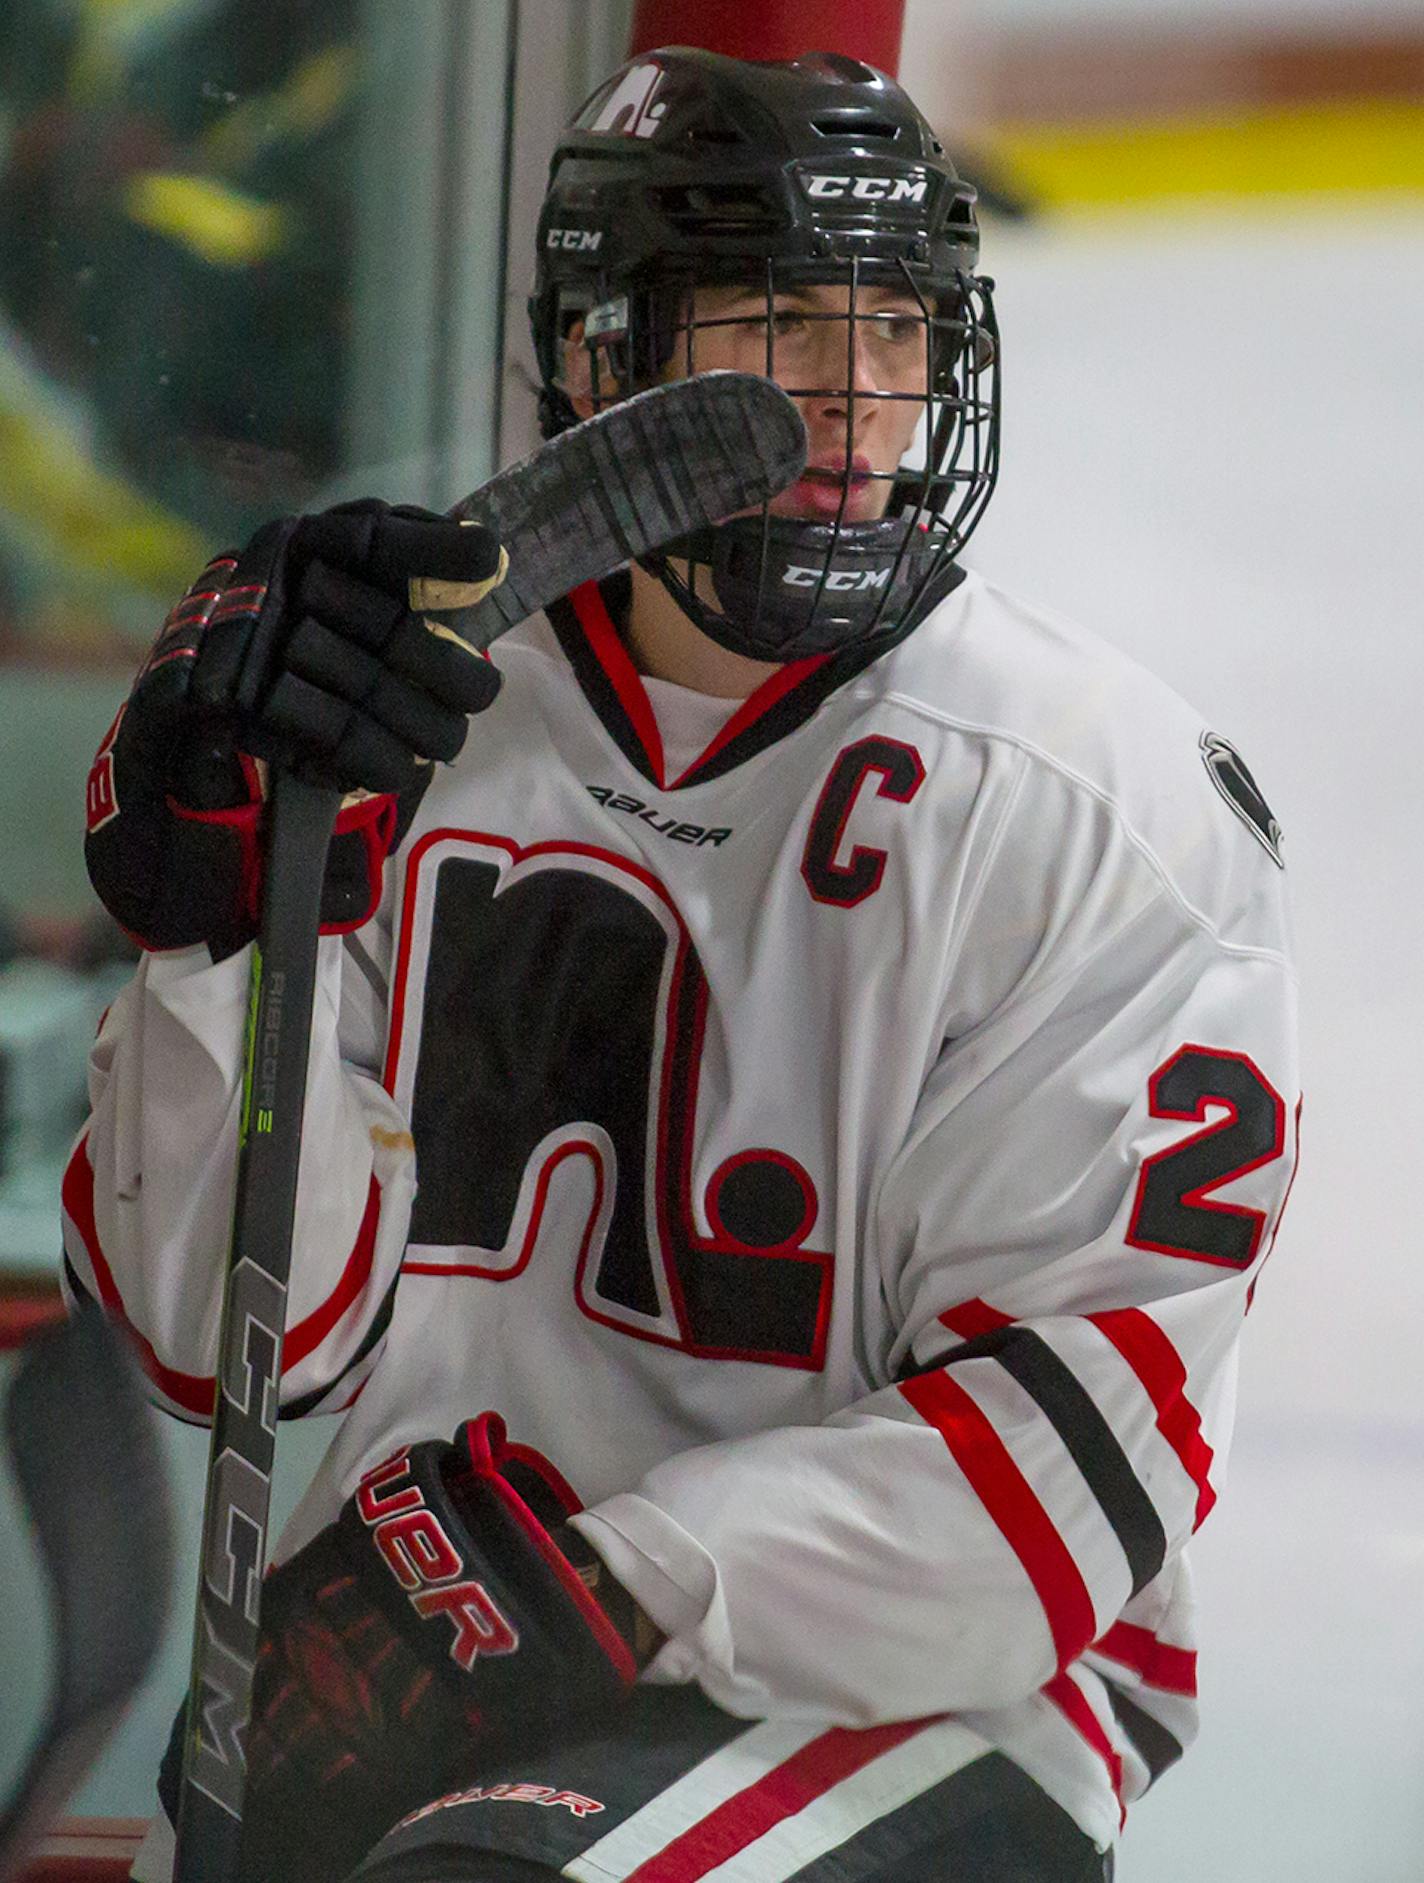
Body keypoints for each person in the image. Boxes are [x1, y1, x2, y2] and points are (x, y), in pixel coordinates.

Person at [66, 47, 1298, 1883]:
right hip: (411, 1658)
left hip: (923, 1697)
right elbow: (222, 1346)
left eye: (898, 339)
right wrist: (216, 935)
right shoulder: (406, 719)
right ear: (602, 357)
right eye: (779, 327)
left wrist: (604, 1587)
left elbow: (1063, 1470)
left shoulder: (1093, 801)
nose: (857, 414)